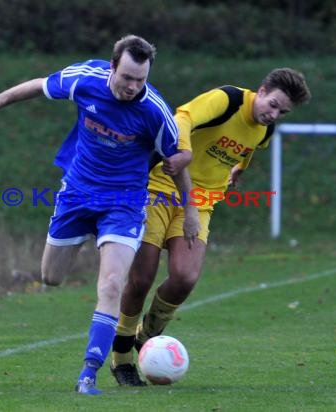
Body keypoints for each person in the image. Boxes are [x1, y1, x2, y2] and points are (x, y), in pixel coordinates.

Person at [0, 34, 200, 395]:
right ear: (112, 67)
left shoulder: (155, 111)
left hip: (123, 203)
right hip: (76, 194)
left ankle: (88, 373)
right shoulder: (84, 80)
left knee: (110, 285)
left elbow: (178, 164)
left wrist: (191, 212)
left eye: (141, 79)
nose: (133, 86)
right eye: (127, 78)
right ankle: (95, 239)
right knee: (51, 277)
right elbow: (39, 85)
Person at [110, 68, 311, 386]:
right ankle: (121, 359)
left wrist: (236, 172)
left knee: (185, 278)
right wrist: (185, 154)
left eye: (282, 112)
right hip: (156, 189)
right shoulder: (227, 99)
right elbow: (182, 118)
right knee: (142, 277)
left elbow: (245, 152)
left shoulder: (265, 131)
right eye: (272, 104)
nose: (273, 114)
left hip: (200, 202)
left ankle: (145, 336)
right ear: (260, 90)